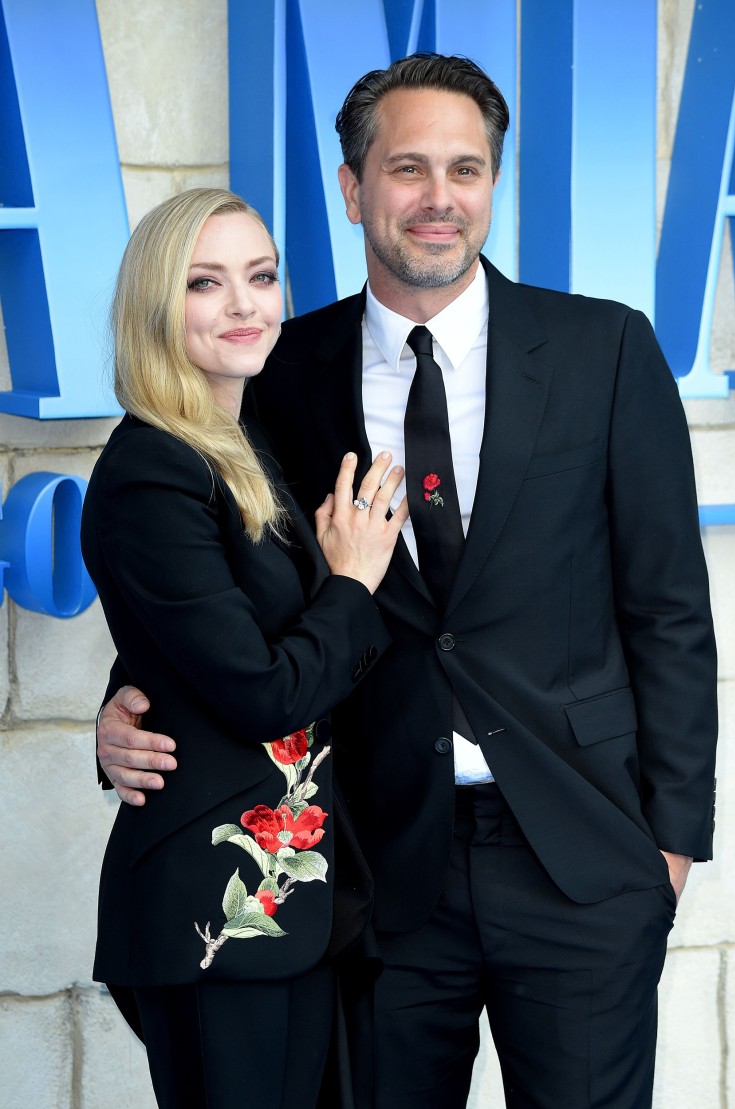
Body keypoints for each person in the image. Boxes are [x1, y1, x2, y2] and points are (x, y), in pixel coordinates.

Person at [96, 55, 718, 1109]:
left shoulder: (602, 348)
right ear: (353, 187)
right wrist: (121, 708)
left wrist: (667, 843)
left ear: (492, 183)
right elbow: (219, 572)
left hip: (578, 858)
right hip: (375, 866)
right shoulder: (277, 367)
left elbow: (667, 610)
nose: (439, 199)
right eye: (408, 168)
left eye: (466, 169)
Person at [81, 187, 409, 1109]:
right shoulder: (155, 467)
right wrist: (350, 580)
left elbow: (194, 641)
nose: (244, 304)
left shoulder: (233, 441)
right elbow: (261, 690)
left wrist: (126, 694)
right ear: (157, 305)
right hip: (218, 911)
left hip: (297, 908)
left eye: (260, 276)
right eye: (205, 282)